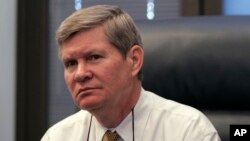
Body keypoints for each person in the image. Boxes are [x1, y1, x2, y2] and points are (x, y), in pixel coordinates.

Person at [41, 5, 221, 141]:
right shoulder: (58, 136)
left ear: (134, 60)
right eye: (71, 63)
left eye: (94, 57)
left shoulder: (189, 131)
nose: (80, 74)